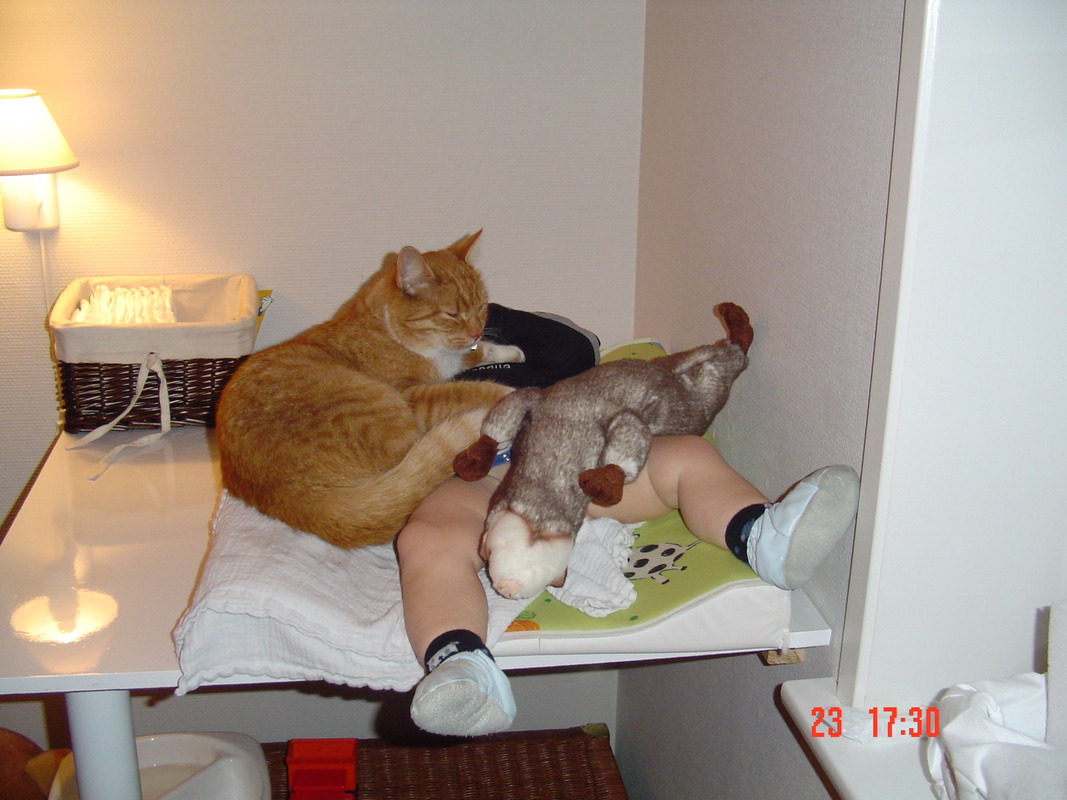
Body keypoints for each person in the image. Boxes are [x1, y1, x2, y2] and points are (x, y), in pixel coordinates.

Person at [395, 305, 860, 737]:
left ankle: (759, 534)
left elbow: (574, 346)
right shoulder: (414, 379)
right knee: (426, 536)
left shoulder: (541, 364)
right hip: (484, 479)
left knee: (686, 455)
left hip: (586, 463)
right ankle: (460, 664)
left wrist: (474, 315)